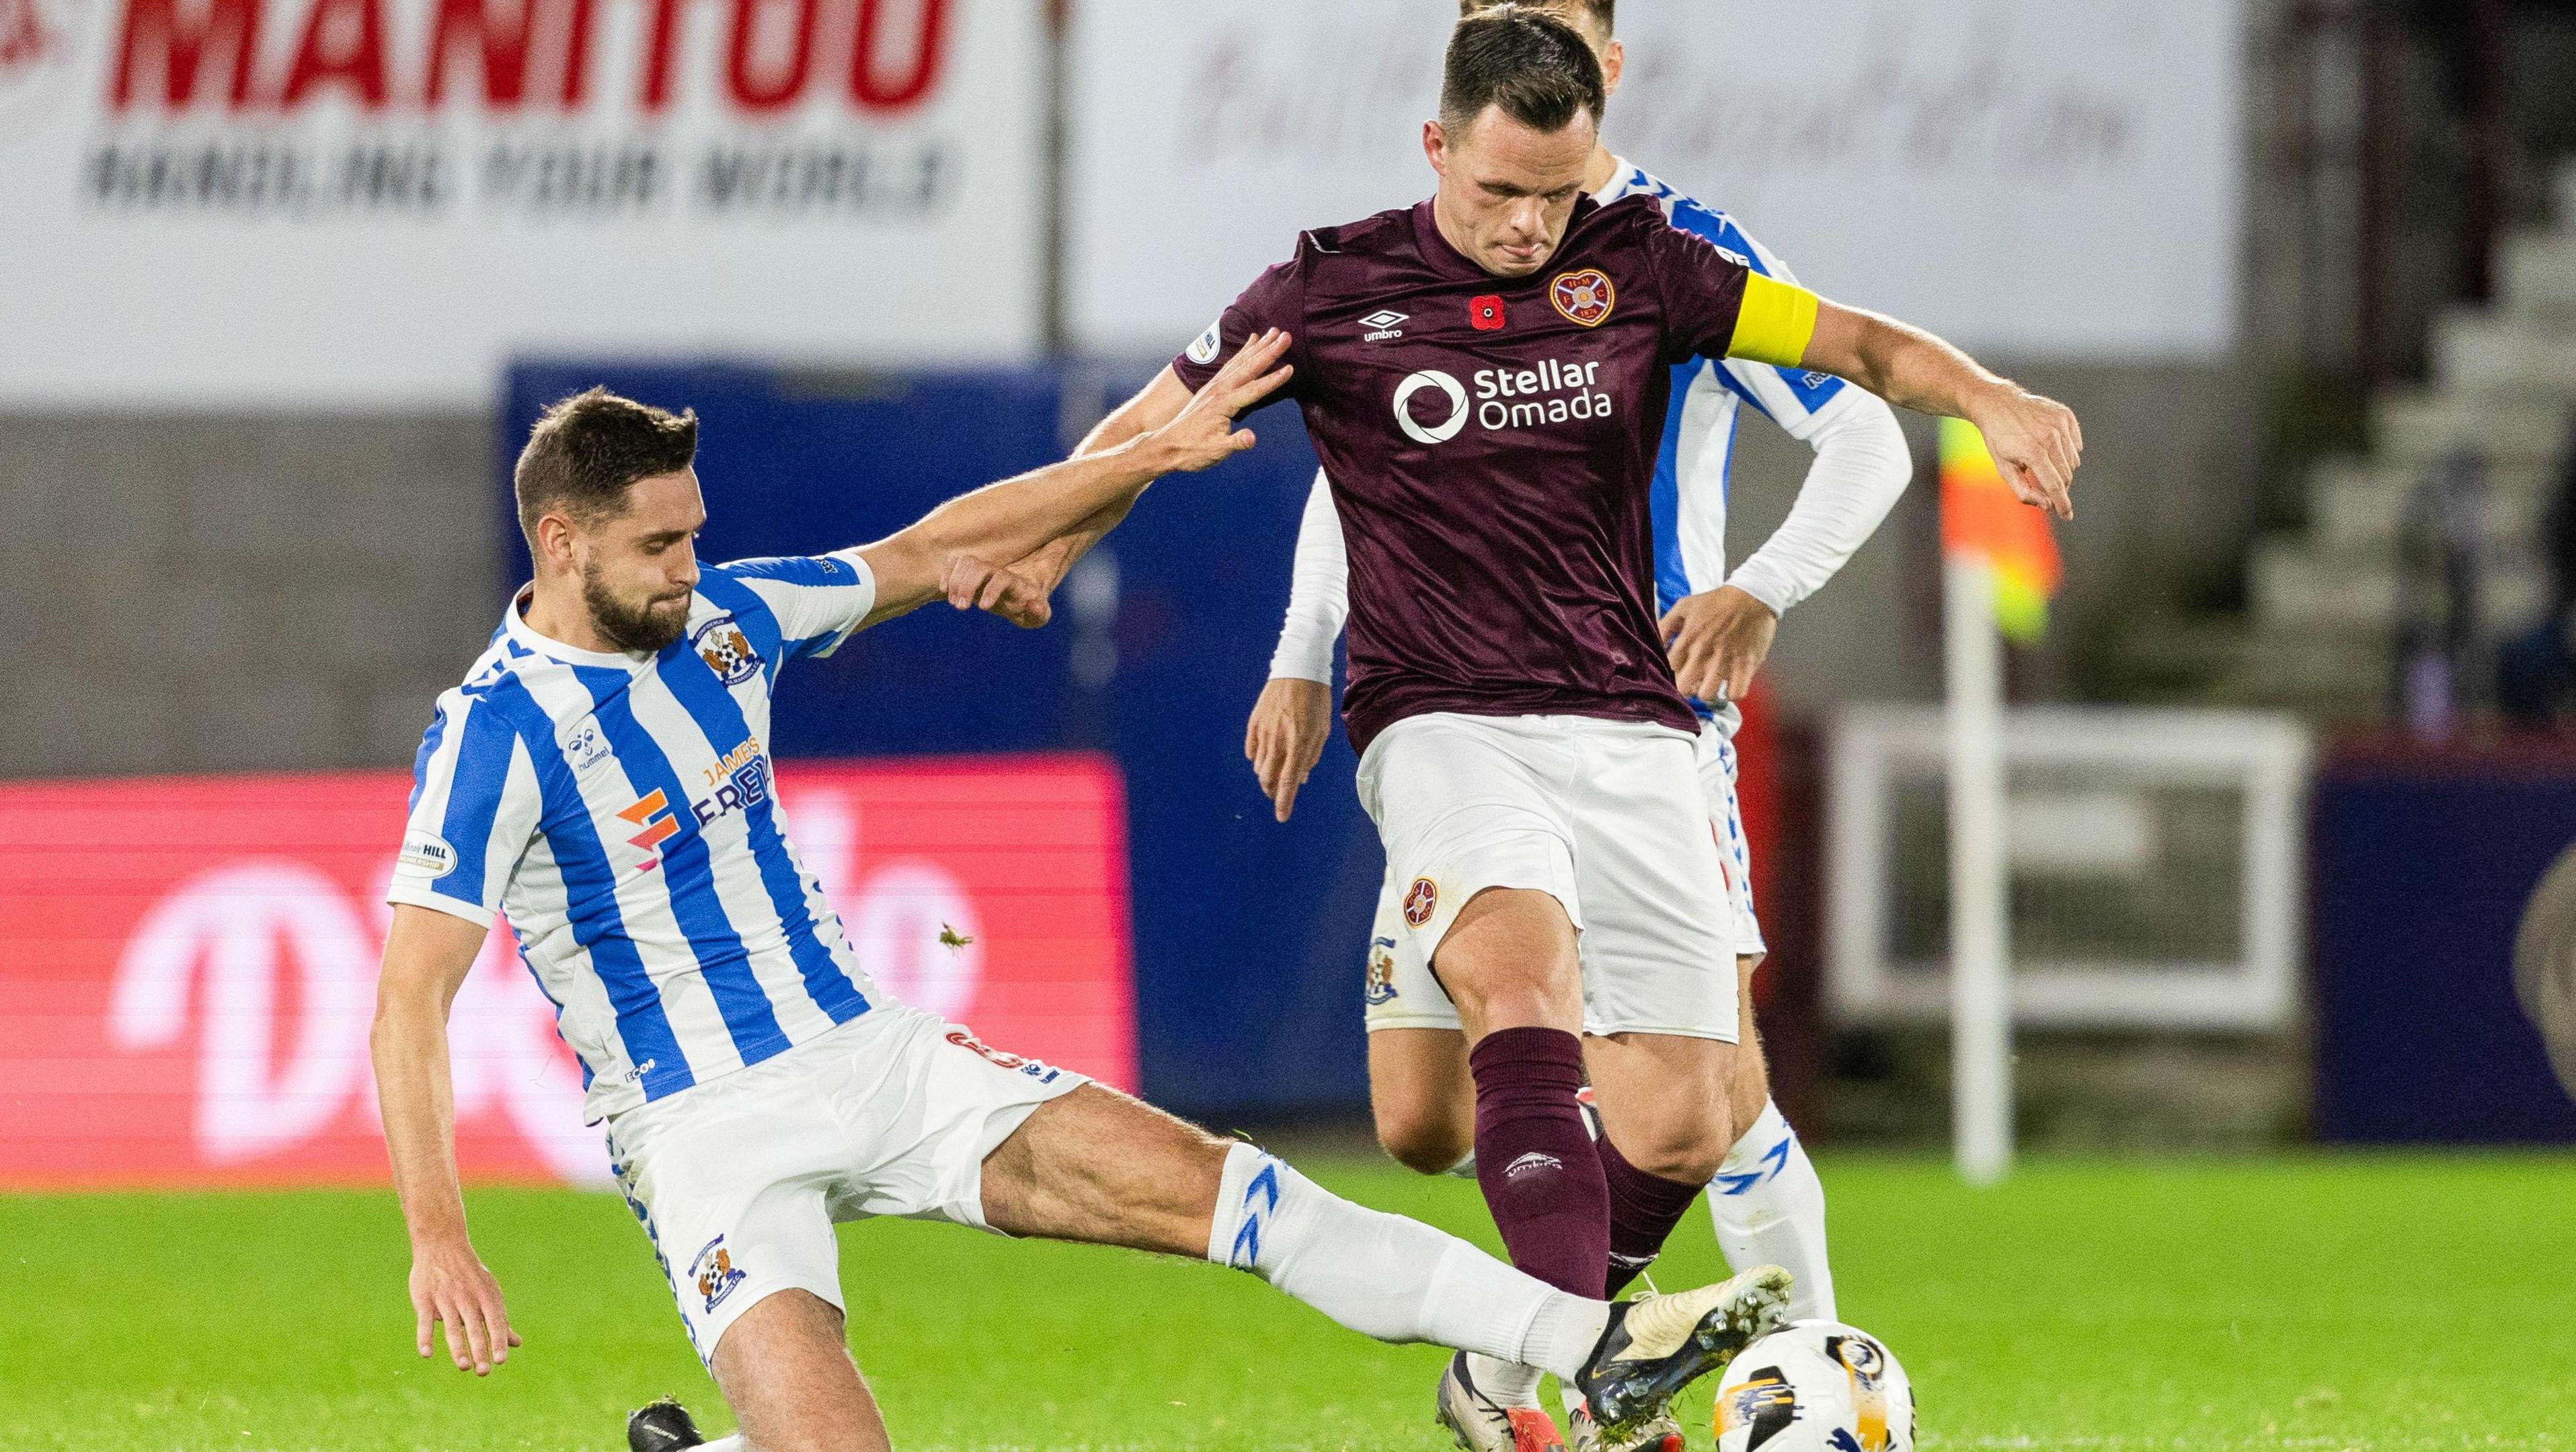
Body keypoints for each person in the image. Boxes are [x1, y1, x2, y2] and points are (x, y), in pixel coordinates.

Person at [368, 350, 1795, 1452]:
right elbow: (409, 1001)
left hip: (874, 1058)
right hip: (701, 1136)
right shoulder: (491, 735)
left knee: (1239, 1195)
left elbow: (937, 542)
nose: (689, 571)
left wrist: (1142, 462)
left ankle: (1590, 1343)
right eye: (656, 550)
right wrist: (440, 1230)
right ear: (561, 544)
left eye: (693, 538)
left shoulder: (734, 621)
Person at [1010, 10, 2079, 1452]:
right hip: (1439, 718)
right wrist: (1046, 535)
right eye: (1499, 194)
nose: (1526, 229)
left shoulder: (1650, 265)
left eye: (1554, 200)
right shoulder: (1331, 286)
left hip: (1631, 721)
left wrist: (1992, 397)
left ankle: (1499, 1385)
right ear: (1436, 145)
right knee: (1517, 983)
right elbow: (1155, 420)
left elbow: (1862, 349)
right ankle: (1586, 1373)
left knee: (1694, 1112)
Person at [1237, 5, 1907, 1447]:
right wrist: (1302, 649)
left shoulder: (1681, 247)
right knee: (1420, 1122)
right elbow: (1372, 462)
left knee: (1711, 1080)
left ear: (1610, 65)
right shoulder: (1410, 263)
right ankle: (1565, 1351)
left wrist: (1760, 588)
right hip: (1451, 700)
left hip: (1637, 707)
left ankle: (1786, 1378)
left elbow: (1867, 426)